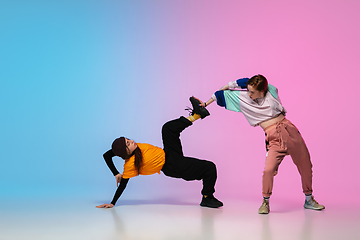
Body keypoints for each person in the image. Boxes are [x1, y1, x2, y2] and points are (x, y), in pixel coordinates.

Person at [198, 74, 324, 214]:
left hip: (291, 132)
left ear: (262, 91)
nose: (249, 94)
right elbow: (219, 94)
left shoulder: (271, 92)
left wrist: (244, 83)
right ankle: (265, 202)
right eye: (248, 90)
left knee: (306, 165)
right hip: (274, 138)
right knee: (268, 170)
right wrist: (209, 101)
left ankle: (309, 199)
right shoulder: (243, 98)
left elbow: (256, 81)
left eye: (252, 92)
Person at [96, 97, 223, 209]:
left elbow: (106, 155)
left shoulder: (133, 148)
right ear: (125, 152)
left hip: (169, 152)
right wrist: (113, 202)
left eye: (128, 140)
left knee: (167, 128)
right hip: (172, 166)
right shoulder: (130, 166)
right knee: (209, 167)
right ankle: (207, 197)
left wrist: (115, 173)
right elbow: (122, 186)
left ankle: (197, 115)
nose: (132, 141)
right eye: (128, 144)